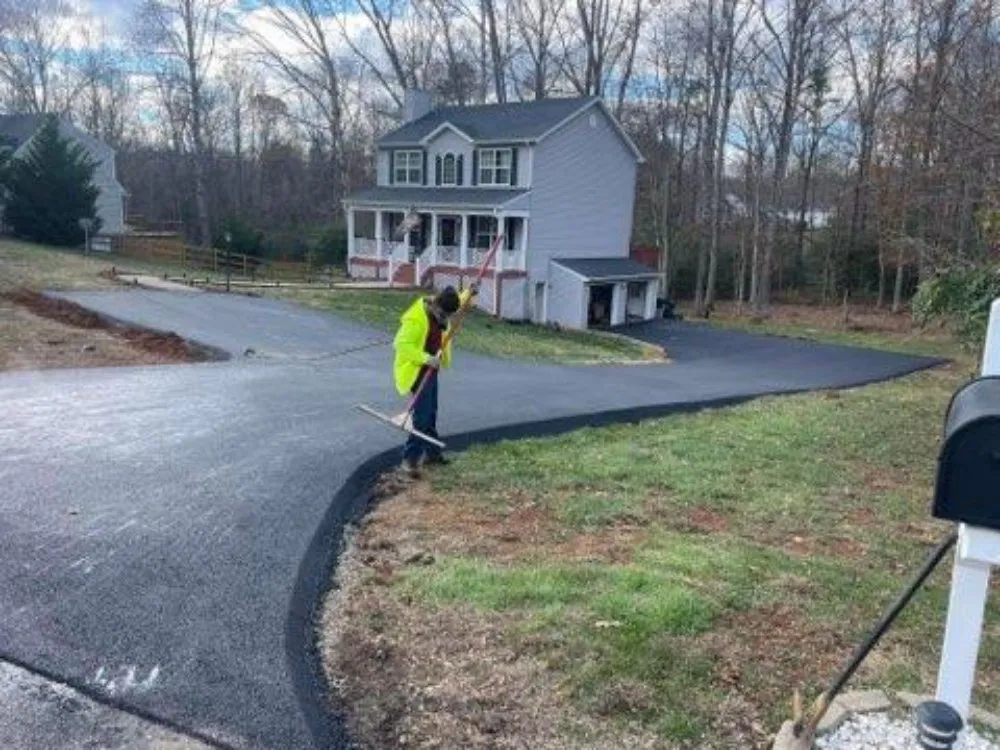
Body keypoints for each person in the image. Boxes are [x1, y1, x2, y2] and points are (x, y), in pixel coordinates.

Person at [393, 284, 475, 477]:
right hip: (416, 370)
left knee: (431, 413)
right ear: (436, 306)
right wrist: (425, 358)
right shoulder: (415, 319)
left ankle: (432, 455)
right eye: (443, 315)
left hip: (431, 368)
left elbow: (458, 303)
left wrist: (469, 293)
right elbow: (400, 344)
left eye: (448, 316)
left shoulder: (440, 308)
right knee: (422, 417)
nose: (445, 320)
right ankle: (409, 460)